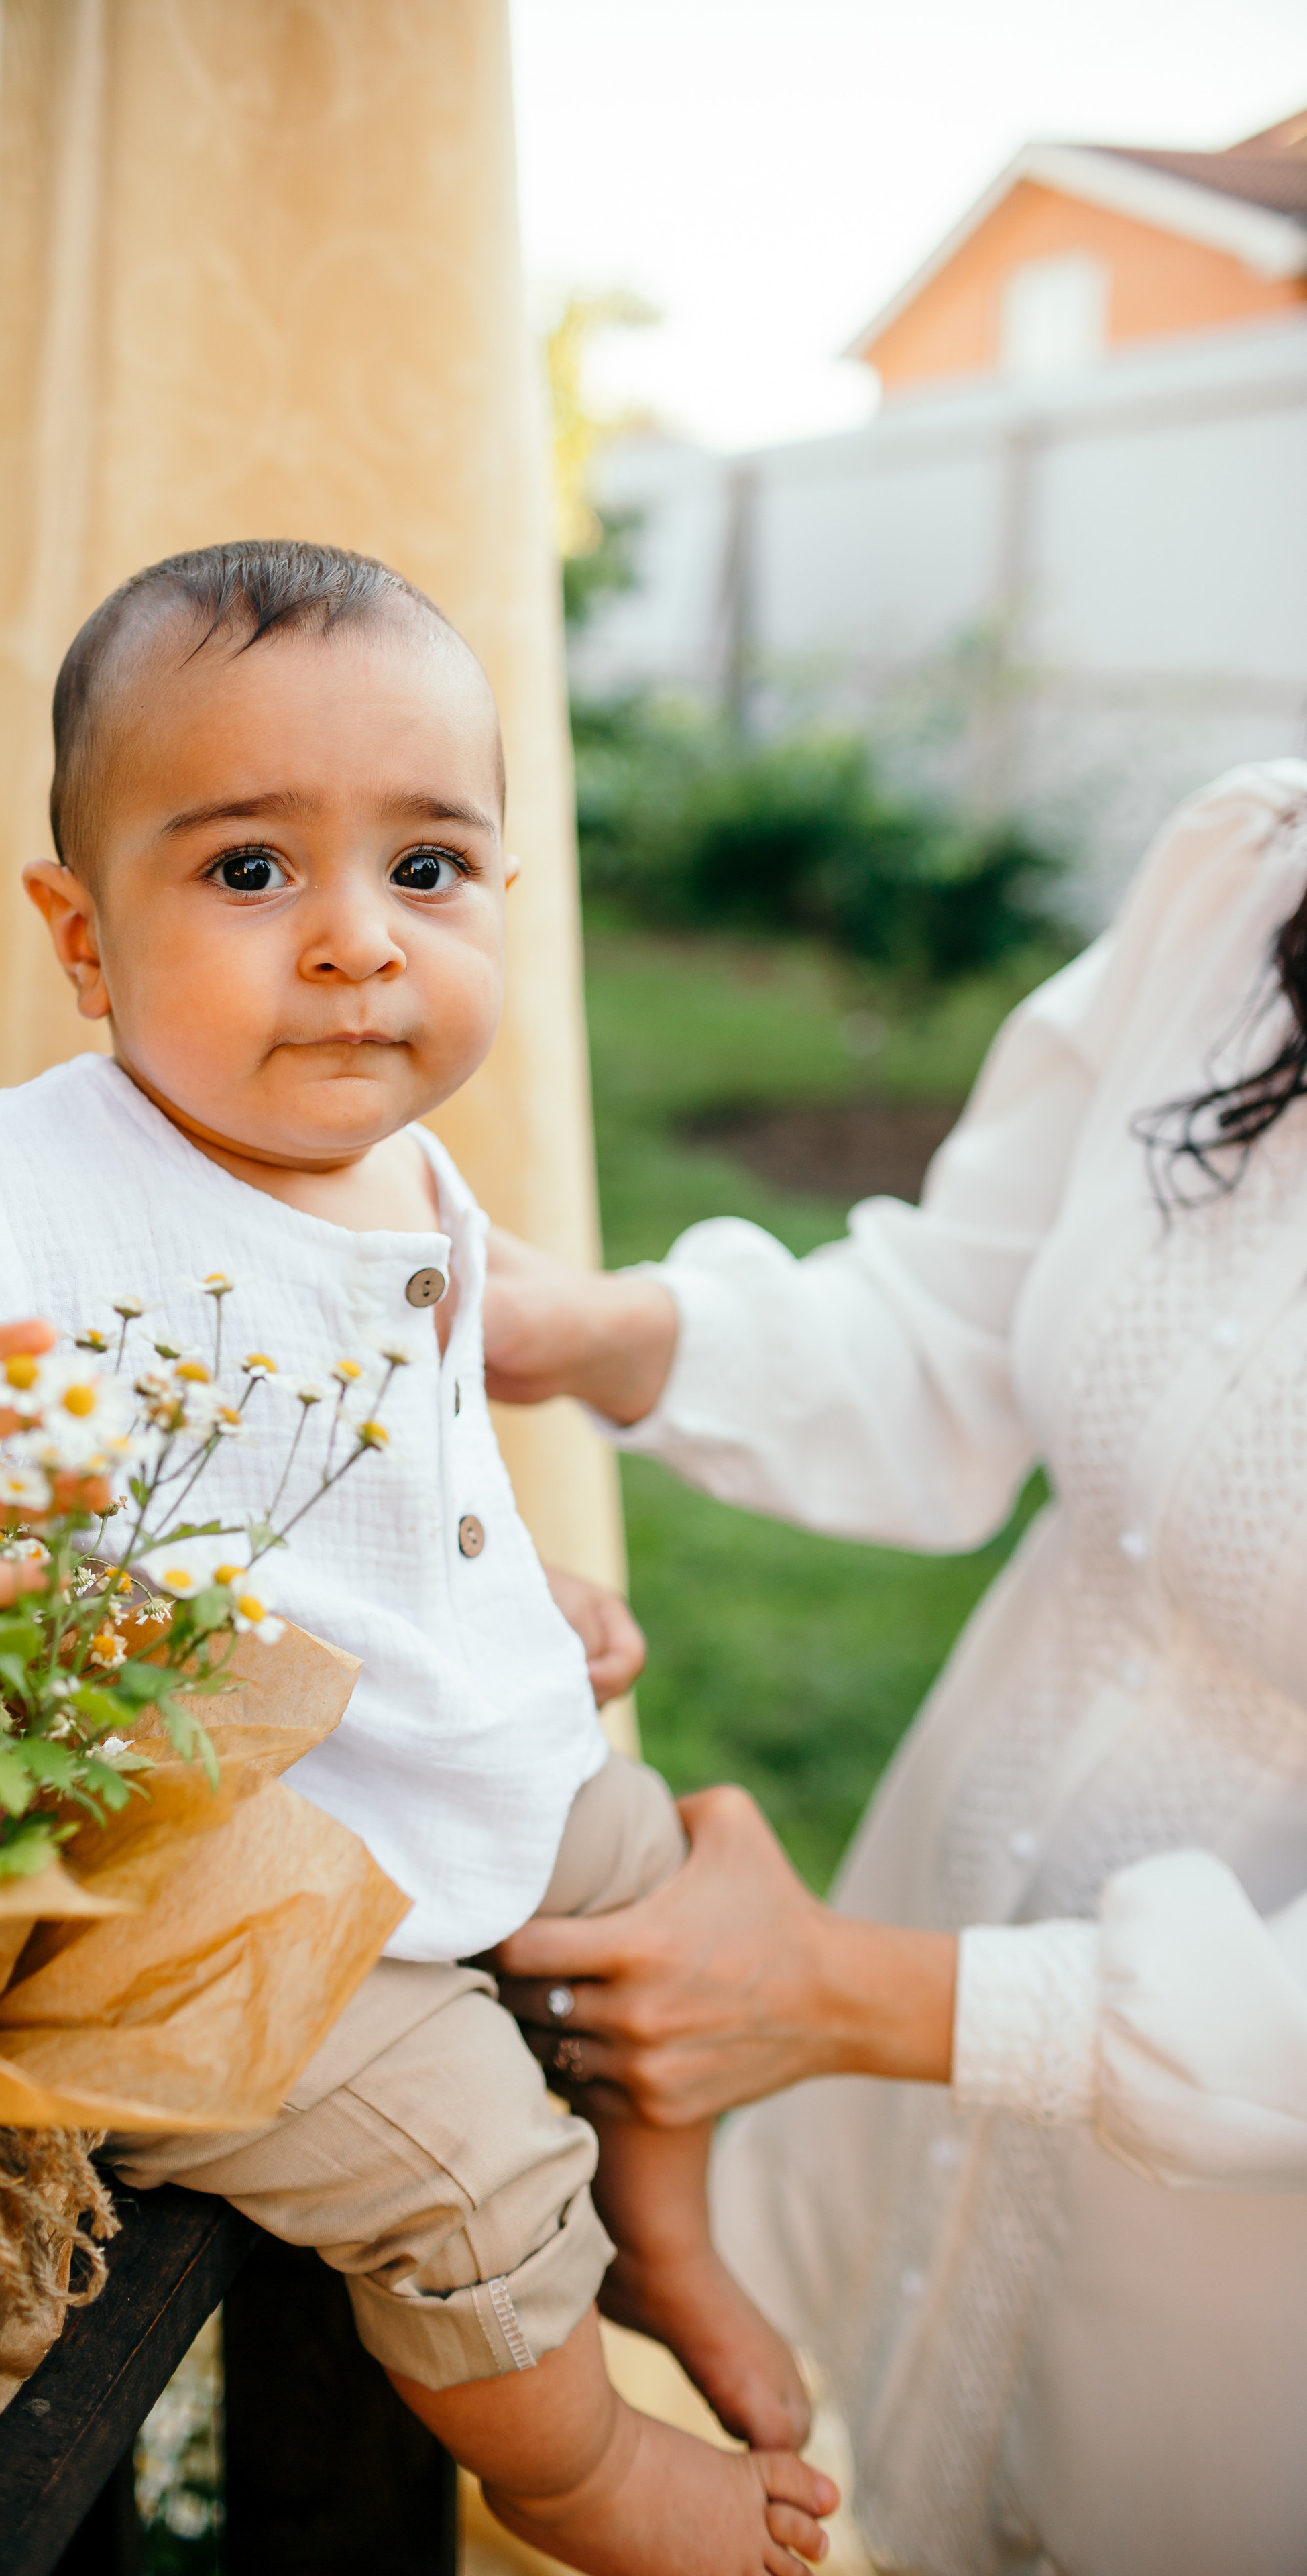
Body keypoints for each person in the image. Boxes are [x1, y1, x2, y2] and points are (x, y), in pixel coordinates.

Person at [0, 542, 836, 2576]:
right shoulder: (10, 1189)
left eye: (429, 869)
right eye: (253, 872)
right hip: (226, 1906)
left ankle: (665, 2223)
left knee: (658, 1874)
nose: (361, 944)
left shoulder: (415, 1174)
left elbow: (396, 1445)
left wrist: (501, 1580)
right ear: (83, 941)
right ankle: (580, 2476)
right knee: (459, 2174)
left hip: (451, 1769)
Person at [485, 757, 1307, 2576]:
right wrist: (608, 1334)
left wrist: (857, 1999)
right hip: (953, 2035)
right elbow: (966, 1316)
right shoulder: (1254, 859)